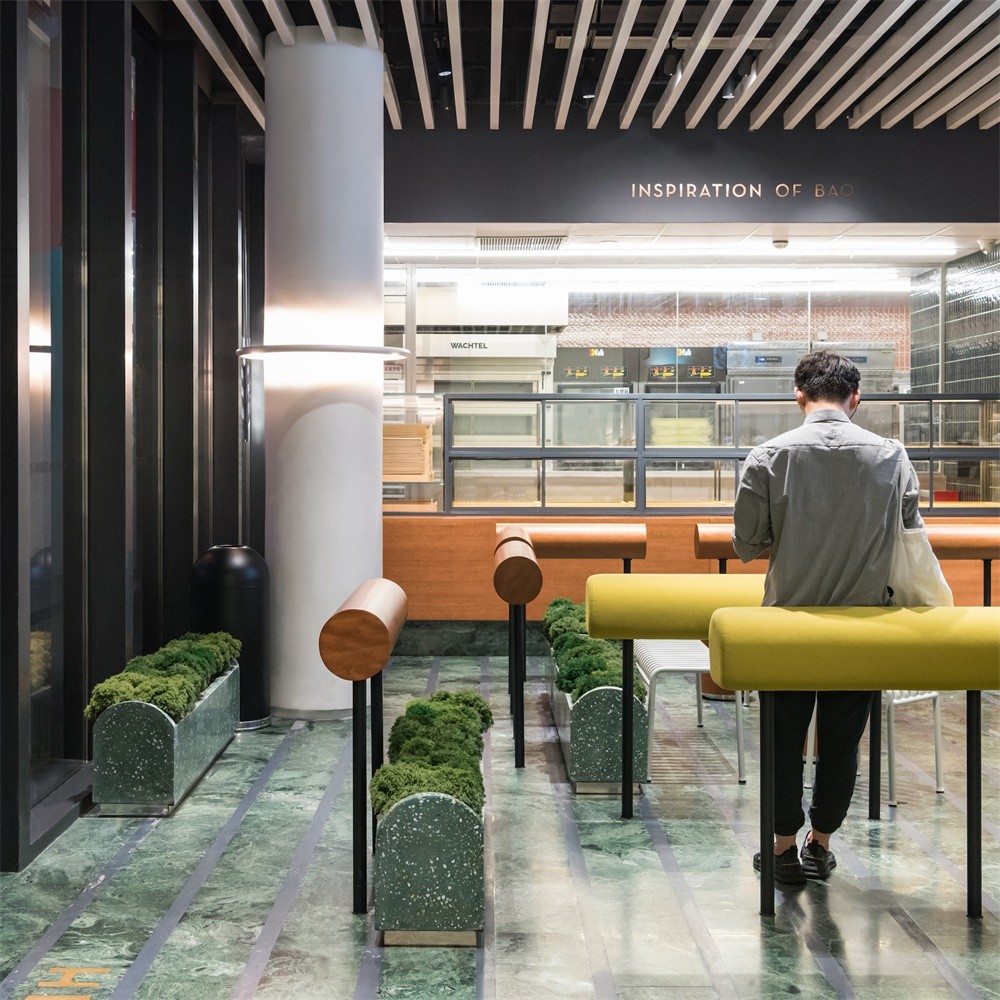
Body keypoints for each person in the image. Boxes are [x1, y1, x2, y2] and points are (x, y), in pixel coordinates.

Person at [732, 350, 924, 887]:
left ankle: (782, 850)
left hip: (787, 627)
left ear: (798, 395)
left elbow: (746, 545)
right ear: (855, 398)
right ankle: (820, 845)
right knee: (842, 741)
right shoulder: (892, 456)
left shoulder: (768, 456)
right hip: (862, 628)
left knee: (782, 739)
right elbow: (911, 533)